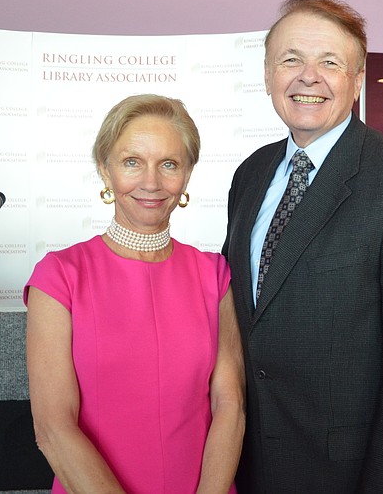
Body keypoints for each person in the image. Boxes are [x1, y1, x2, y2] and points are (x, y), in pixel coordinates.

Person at [221, 0, 383, 493]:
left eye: (330, 62)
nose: (309, 77)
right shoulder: (250, 173)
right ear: (267, 75)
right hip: (247, 460)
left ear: (357, 79)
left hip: (346, 471)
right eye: (291, 60)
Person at [24, 94, 245, 494]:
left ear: (187, 175)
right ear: (104, 170)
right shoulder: (59, 276)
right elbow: (53, 428)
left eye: (169, 164)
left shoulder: (214, 274)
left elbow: (230, 406)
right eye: (132, 162)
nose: (151, 182)